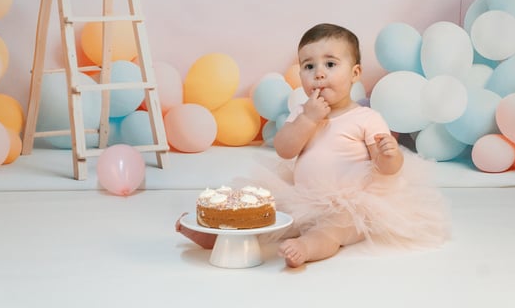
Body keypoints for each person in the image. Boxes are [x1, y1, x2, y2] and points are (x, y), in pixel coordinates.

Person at [176, 23, 450, 268]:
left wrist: (387, 155)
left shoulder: (366, 118)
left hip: (352, 204)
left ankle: (307, 247)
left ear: (355, 73)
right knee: (267, 217)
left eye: (330, 65)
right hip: (302, 197)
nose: (318, 74)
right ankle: (218, 236)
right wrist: (308, 119)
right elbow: (285, 149)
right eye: (309, 66)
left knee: (333, 230)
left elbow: (388, 168)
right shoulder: (302, 113)